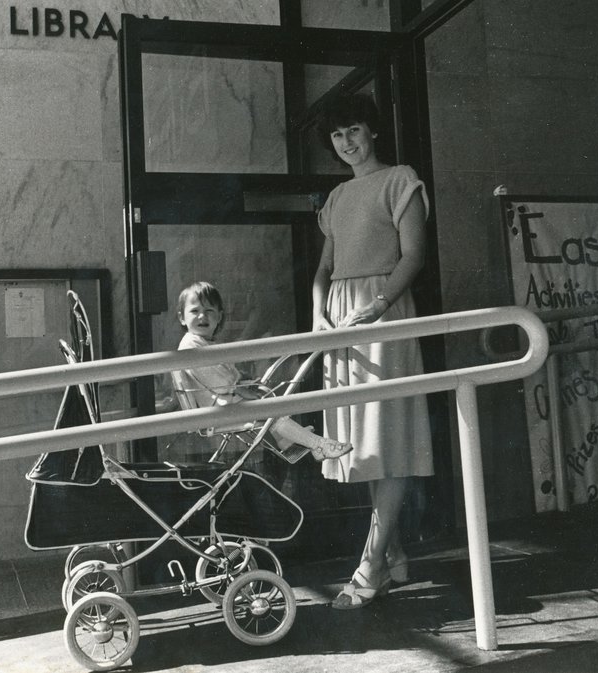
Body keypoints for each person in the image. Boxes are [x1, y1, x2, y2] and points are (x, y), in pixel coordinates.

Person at [312, 93, 434, 610]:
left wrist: (380, 304)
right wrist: (319, 316)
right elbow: (324, 268)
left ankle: (369, 565)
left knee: (390, 438)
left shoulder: (400, 179)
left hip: (382, 315)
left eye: (354, 130)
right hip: (341, 321)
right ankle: (393, 554)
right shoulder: (338, 196)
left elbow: (415, 255)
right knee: (364, 445)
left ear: (373, 131)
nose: (348, 143)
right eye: (338, 136)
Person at [173, 281, 352, 461]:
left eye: (209, 311)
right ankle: (318, 444)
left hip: (223, 404)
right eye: (195, 311)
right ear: (182, 317)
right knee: (268, 409)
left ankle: (289, 440)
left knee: (267, 399)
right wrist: (240, 387)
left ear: (219, 316)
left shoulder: (202, 343)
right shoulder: (190, 345)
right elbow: (218, 380)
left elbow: (222, 375)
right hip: (218, 410)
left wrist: (243, 383)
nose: (202, 316)